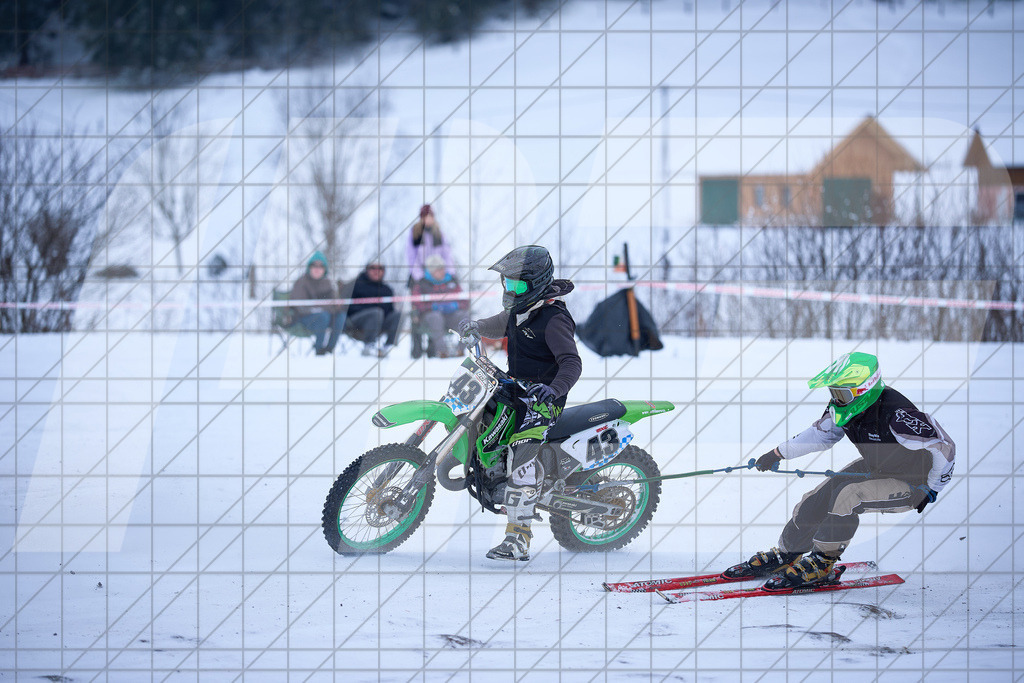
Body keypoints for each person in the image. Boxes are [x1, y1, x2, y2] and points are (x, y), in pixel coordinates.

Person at [723, 351, 956, 590]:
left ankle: (823, 562)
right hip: (875, 468)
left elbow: (945, 447)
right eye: (833, 392)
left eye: (841, 393)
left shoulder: (897, 416)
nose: (836, 399)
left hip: (911, 484)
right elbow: (821, 435)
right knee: (815, 500)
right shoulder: (843, 408)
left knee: (848, 496)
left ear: (864, 390)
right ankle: (787, 554)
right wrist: (777, 453)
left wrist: (933, 487)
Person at [458, 245, 582, 561]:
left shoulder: (554, 320)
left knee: (520, 457)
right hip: (516, 389)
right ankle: (488, 476)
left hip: (544, 401)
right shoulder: (521, 309)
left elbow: (571, 362)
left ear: (537, 283)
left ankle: (518, 539)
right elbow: (501, 322)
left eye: (517, 285)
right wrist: (477, 326)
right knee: (480, 417)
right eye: (507, 284)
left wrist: (553, 390)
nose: (511, 291)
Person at [411, 255, 468, 358]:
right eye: (439, 269)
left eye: (443, 268)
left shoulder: (452, 281)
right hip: (429, 318)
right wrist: (433, 307)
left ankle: (460, 350)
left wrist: (455, 305)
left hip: (450, 316)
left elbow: (464, 300)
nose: (442, 271)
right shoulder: (422, 284)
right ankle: (442, 351)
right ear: (431, 271)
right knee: (436, 317)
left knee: (464, 315)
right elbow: (416, 303)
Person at [342, 260, 401, 357]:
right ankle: (369, 345)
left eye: (380, 268)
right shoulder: (356, 285)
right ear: (367, 269)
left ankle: (388, 346)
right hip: (355, 323)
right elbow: (346, 307)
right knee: (376, 312)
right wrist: (370, 308)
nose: (376, 271)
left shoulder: (387, 290)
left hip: (379, 323)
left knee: (398, 315)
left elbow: (390, 311)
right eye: (373, 268)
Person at [290, 251, 344, 356]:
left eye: (321, 266)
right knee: (323, 316)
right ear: (309, 267)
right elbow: (301, 307)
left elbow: (334, 304)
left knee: (340, 316)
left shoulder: (328, 283)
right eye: (314, 265)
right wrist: (324, 307)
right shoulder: (301, 282)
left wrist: (336, 305)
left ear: (325, 269)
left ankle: (329, 348)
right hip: (303, 319)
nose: (317, 269)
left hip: (325, 317)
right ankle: (319, 350)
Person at [407, 204, 453, 283]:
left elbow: (447, 254)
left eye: (430, 216)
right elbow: (412, 257)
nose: (427, 219)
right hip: (421, 276)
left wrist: (450, 272)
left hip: (439, 276)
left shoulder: (439, 234)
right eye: (425, 216)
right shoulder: (415, 233)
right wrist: (419, 276)